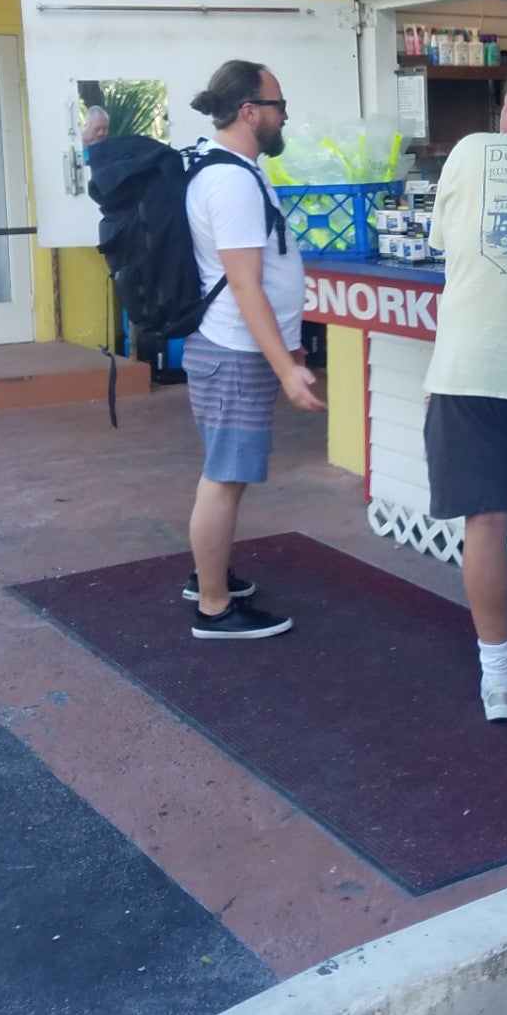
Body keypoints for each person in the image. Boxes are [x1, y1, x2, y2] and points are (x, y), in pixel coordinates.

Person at [181, 58, 325, 639]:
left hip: (234, 350)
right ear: (249, 112)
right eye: (278, 105)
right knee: (225, 476)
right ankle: (213, 607)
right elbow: (245, 285)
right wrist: (286, 367)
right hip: (235, 352)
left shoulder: (234, 167)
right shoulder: (231, 181)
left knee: (226, 474)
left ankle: (210, 576)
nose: (284, 115)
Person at [423, 61, 507, 719]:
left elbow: (443, 246)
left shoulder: (468, 151)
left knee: (485, 523)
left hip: (470, 366)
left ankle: (499, 678)